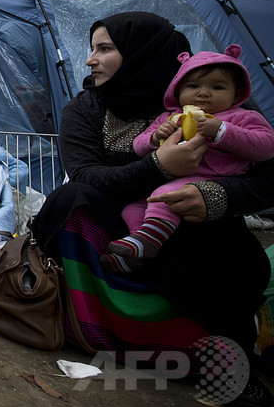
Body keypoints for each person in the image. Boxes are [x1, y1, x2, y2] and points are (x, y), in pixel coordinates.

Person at [30, 11, 274, 407]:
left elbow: (267, 174)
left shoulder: (212, 93)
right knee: (69, 200)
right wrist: (159, 168)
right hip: (121, 235)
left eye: (105, 49)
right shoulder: (87, 110)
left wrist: (214, 195)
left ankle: (224, 354)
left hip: (188, 242)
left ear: (144, 54)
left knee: (236, 249)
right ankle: (92, 322)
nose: (90, 60)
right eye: (92, 48)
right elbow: (88, 175)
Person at [103, 44, 274, 272]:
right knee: (134, 207)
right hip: (169, 178)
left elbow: (265, 147)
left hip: (211, 179)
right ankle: (138, 249)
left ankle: (148, 243)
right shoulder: (170, 117)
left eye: (217, 87)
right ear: (178, 90)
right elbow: (138, 145)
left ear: (236, 93)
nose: (204, 92)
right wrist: (155, 137)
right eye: (193, 86)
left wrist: (222, 131)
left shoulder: (243, 117)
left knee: (163, 196)